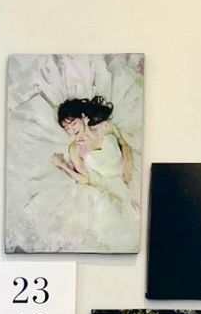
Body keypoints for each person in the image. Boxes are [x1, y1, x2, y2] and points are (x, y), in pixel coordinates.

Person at [17, 94, 138, 253]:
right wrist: (64, 166)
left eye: (73, 124)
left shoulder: (105, 127)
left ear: (83, 117)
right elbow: (85, 179)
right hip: (105, 186)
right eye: (66, 128)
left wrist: (128, 171)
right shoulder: (75, 148)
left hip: (127, 174)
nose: (71, 130)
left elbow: (124, 146)